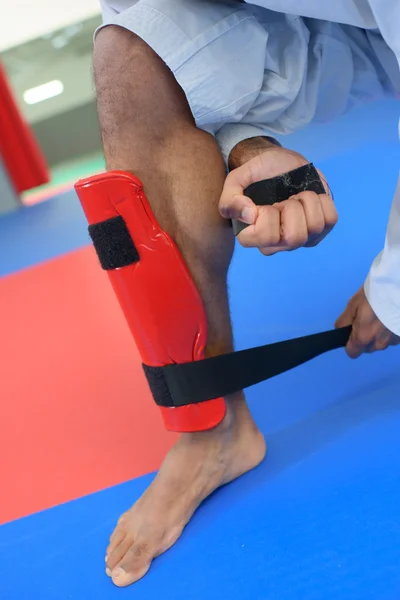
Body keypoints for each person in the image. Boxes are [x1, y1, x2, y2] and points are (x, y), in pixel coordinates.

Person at [89, 0, 400, 587]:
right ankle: (213, 429)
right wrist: (251, 148)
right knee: (128, 55)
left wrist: (394, 292)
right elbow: (164, 29)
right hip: (328, 26)